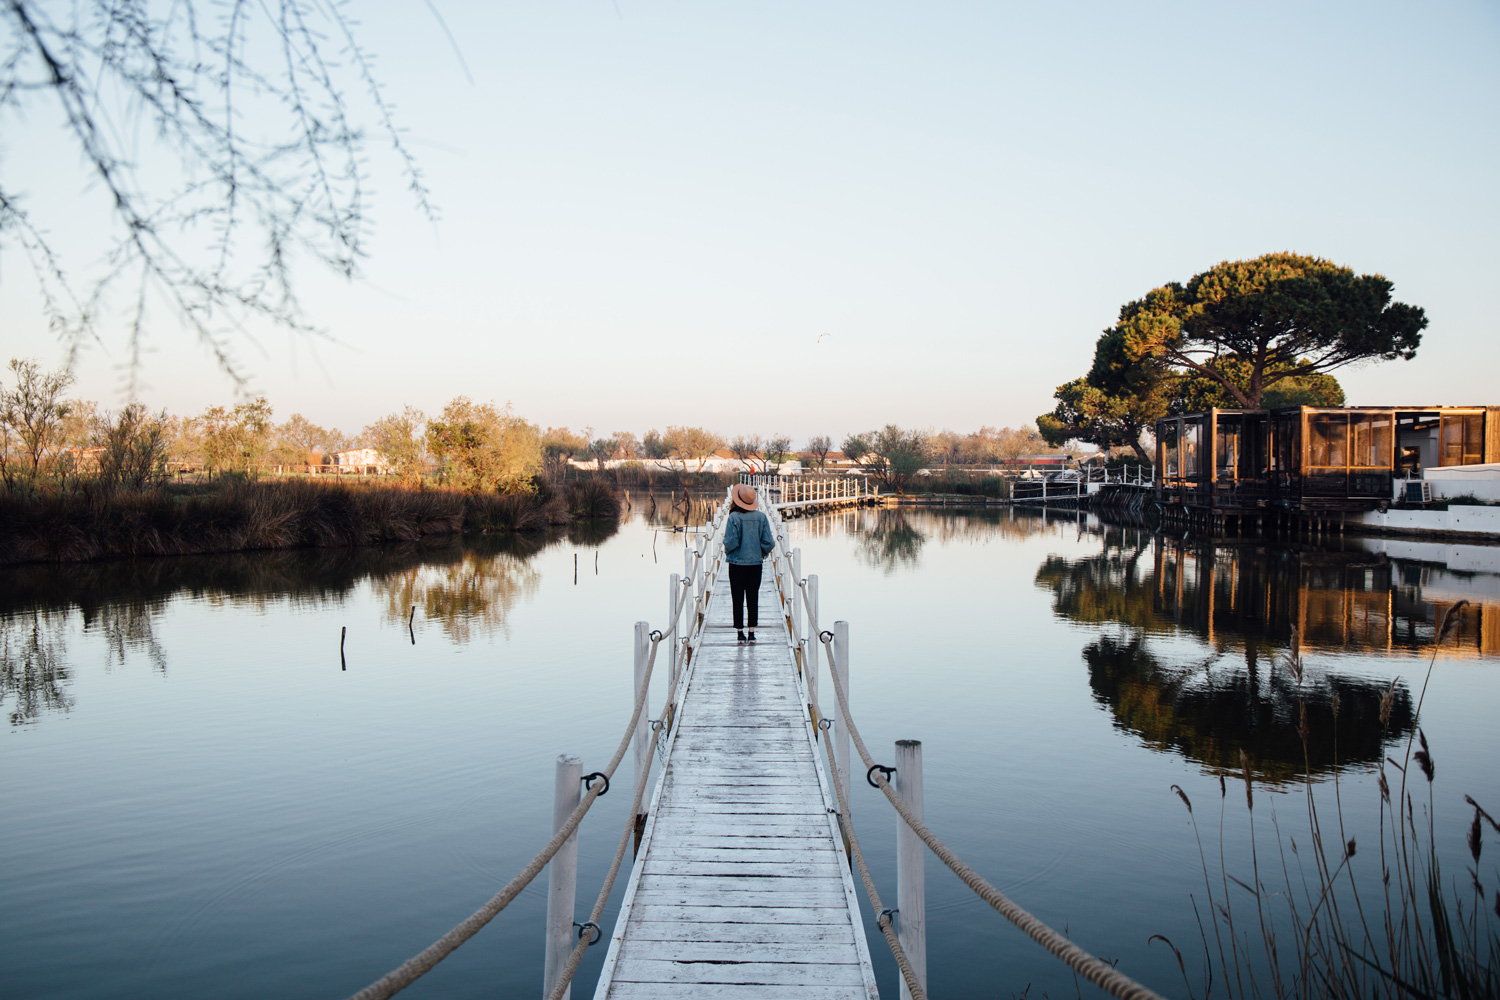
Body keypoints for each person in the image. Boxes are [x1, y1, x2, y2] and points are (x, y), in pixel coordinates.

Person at [722, 483, 776, 642]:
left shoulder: (734, 518)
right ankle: (752, 632)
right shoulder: (761, 517)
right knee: (753, 596)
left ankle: (740, 632)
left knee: (737, 598)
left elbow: (731, 542)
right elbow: (769, 542)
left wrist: (729, 550)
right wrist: (760, 552)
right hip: (755, 564)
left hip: (737, 564)